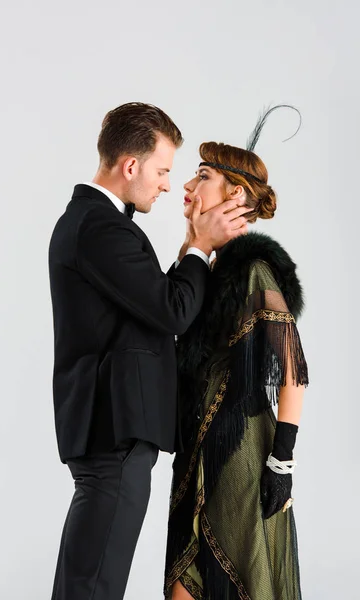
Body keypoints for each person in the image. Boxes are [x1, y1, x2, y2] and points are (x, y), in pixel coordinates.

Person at [48, 102, 250, 600]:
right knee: (93, 586)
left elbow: (153, 302)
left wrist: (191, 247)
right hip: (114, 431)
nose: (166, 184)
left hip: (112, 431)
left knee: (89, 582)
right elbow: (171, 310)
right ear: (131, 166)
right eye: (162, 170)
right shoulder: (100, 228)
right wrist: (201, 246)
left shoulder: (99, 225)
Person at [164, 106, 309, 600]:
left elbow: (293, 372)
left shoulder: (253, 271)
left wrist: (281, 465)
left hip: (241, 456)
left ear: (236, 195)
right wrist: (192, 248)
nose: (186, 185)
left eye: (201, 175)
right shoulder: (203, 268)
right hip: (194, 456)